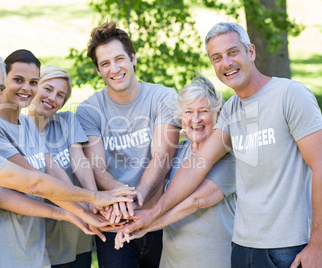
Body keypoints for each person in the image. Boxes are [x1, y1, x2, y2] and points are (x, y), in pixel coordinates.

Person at [123, 22, 322, 268]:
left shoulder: (290, 95)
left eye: (232, 52)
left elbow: (320, 167)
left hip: (287, 247)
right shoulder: (231, 111)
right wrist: (152, 213)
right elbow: (196, 165)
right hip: (243, 247)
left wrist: (318, 244)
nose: (226, 63)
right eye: (216, 58)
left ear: (251, 52)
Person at [0, 47, 136, 267]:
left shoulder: (21, 125)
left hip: (22, 251)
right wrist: (91, 200)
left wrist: (85, 210)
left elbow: (50, 171)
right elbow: (28, 183)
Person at [75, 21, 180, 267]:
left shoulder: (163, 98)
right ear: (99, 71)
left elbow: (162, 158)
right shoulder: (89, 110)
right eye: (105, 64)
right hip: (114, 224)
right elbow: (98, 168)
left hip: (158, 219)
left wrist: (136, 199)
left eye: (119, 59)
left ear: (133, 58)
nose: (114, 68)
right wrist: (122, 200)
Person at [115, 73, 236, 267]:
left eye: (203, 111)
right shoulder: (176, 153)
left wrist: (147, 224)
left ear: (218, 114)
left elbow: (196, 200)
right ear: (181, 116)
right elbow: (156, 194)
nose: (195, 119)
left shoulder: (229, 156)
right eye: (188, 112)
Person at [28, 65, 98, 267]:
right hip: (45, 242)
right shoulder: (17, 132)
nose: (52, 98)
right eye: (48, 89)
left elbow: (79, 160)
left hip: (78, 237)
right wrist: (85, 203)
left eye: (60, 95)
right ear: (34, 86)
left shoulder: (66, 120)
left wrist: (94, 199)